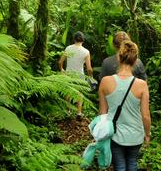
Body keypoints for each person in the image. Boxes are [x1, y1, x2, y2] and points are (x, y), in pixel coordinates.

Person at [98, 40, 151, 171]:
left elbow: (103, 114)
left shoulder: (105, 82)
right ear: (135, 60)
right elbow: (145, 115)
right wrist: (147, 134)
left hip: (114, 133)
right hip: (136, 134)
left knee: (119, 166)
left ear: (118, 57)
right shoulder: (142, 85)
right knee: (132, 163)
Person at [58, 31, 93, 118]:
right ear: (83, 40)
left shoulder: (68, 48)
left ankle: (68, 111)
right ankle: (79, 113)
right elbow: (89, 68)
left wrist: (62, 69)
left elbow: (60, 62)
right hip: (80, 76)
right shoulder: (86, 52)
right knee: (79, 93)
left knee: (68, 92)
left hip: (69, 74)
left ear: (74, 39)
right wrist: (90, 76)